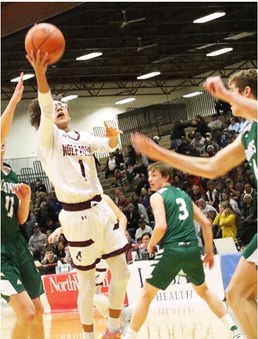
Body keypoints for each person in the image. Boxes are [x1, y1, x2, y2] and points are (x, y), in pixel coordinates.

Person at [131, 69, 257, 339]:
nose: (227, 101)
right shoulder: (248, 133)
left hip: (175, 248)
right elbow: (212, 167)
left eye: (232, 93)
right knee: (236, 294)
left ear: (247, 92)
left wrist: (221, 91)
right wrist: (160, 152)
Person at [27, 50, 130, 339]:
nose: (59, 108)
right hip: (76, 215)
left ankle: (112, 329)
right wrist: (41, 73)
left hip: (101, 210)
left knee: (121, 274)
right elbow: (46, 107)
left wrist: (112, 136)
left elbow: (109, 147)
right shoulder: (48, 139)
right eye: (55, 106)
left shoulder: (82, 137)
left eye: (63, 105)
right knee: (87, 285)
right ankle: (87, 336)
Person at [124, 162, 243, 339]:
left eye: (154, 175)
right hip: (192, 250)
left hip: (172, 250)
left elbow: (161, 226)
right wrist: (209, 251)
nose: (149, 180)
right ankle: (235, 331)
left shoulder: (157, 197)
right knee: (204, 291)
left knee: (145, 296)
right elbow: (206, 223)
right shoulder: (185, 196)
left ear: (165, 177)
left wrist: (150, 244)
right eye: (149, 176)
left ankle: (129, 337)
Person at [1, 73, 45, 339]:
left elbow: (20, 219)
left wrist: (26, 199)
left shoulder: (10, 175)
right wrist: (15, 100)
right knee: (26, 312)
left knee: (39, 310)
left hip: (17, 243)